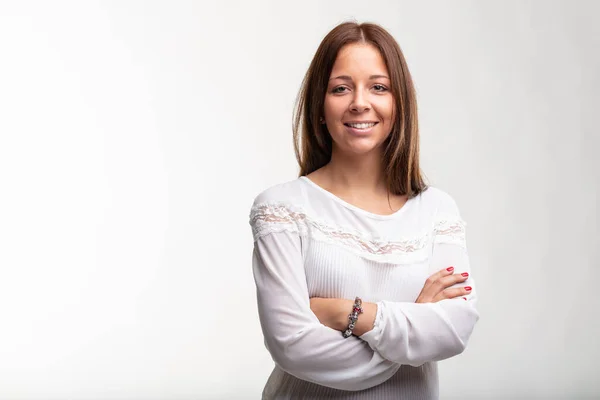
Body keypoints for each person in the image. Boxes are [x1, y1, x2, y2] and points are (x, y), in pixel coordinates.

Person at [248, 21, 479, 399]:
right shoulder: (281, 209)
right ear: (320, 107)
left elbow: (454, 330)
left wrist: (349, 313)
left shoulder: (438, 211)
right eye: (341, 88)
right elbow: (294, 347)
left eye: (379, 87)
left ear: (398, 103)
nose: (359, 101)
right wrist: (411, 330)